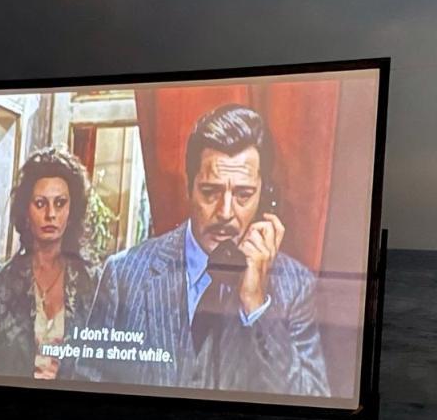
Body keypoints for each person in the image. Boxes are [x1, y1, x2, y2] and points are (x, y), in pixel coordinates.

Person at [68, 104, 329, 396]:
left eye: (243, 195)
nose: (225, 212)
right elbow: (84, 391)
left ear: (265, 198)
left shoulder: (294, 286)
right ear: (189, 188)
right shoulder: (124, 275)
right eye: (210, 192)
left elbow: (312, 405)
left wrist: (257, 306)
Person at [0, 147, 99, 379]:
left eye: (60, 203)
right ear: (26, 212)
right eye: (40, 203)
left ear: (72, 210)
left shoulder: (95, 285)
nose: (51, 214)